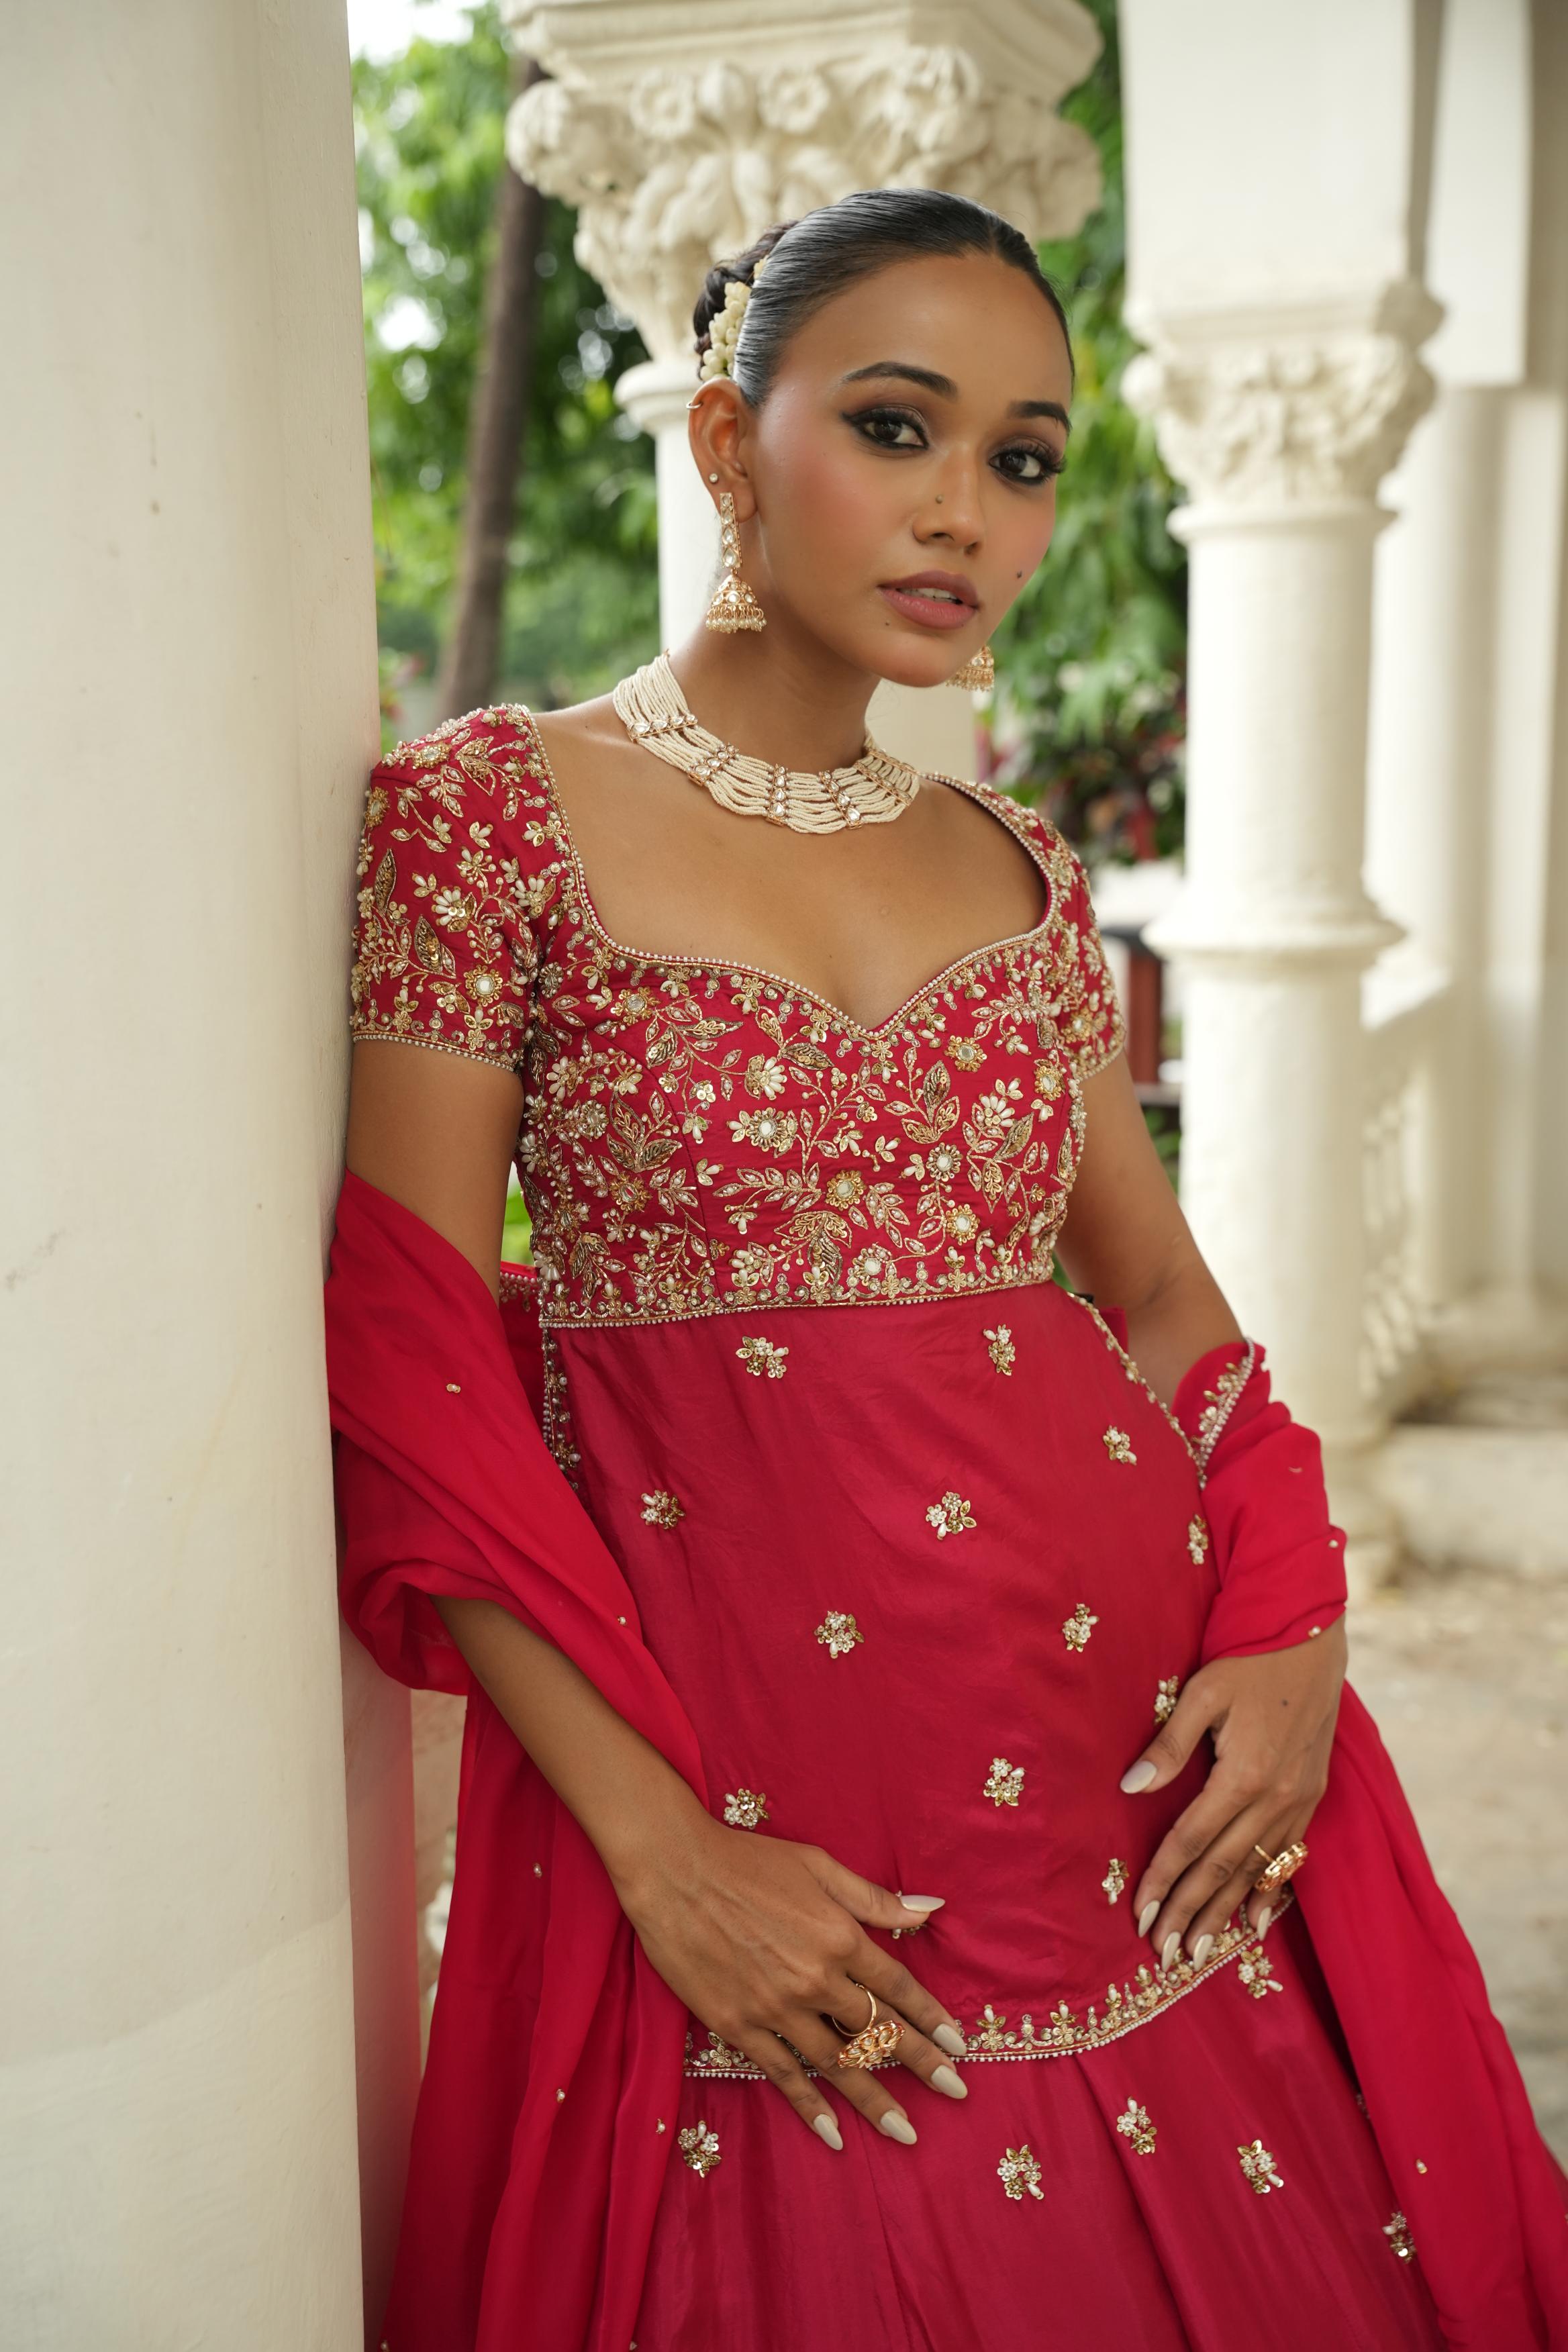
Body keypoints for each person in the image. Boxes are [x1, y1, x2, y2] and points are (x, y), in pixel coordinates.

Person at [326, 189, 1568, 2351]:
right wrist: (661, 1851)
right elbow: (415, 1373)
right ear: (728, 442)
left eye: (1021, 457)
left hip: (1136, 1753)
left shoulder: (1021, 867)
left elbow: (1165, 1301)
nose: (967, 513)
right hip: (746, 1771)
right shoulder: (488, 820)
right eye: (897, 428)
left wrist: (1291, 1610)